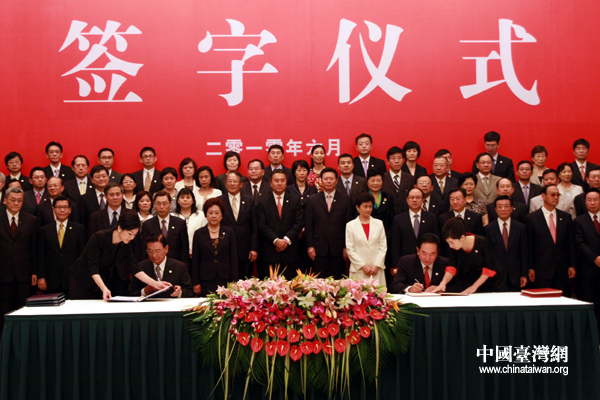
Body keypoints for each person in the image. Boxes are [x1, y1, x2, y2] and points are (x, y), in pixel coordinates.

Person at [70, 213, 171, 300]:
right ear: (119, 228)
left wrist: (156, 283)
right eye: (130, 233)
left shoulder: (125, 245)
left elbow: (135, 269)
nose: (132, 237)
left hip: (100, 283)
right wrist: (104, 288)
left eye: (134, 234)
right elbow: (93, 268)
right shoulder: (98, 238)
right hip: (82, 281)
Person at [432, 217, 505, 294]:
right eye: (448, 243)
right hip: (471, 281)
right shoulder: (455, 248)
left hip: (492, 283)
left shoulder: (482, 242)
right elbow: (452, 267)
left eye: (452, 242)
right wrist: (443, 283)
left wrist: (474, 286)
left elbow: (489, 268)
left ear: (462, 237)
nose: (450, 246)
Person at [525, 184, 576, 292]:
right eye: (552, 195)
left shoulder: (566, 217)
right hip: (541, 269)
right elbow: (529, 245)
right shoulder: (532, 218)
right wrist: (530, 267)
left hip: (562, 269)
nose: (556, 197)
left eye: (558, 195)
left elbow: (571, 243)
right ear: (543, 196)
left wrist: (572, 265)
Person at [0, 187, 37, 333]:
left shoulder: (31, 220)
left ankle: (23, 338)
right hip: (3, 273)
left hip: (24, 274)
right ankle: (5, 340)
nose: (16, 203)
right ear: (5, 201)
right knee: (4, 310)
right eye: (13, 200)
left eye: (19, 201)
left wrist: (35, 271)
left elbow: (35, 248)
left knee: (23, 310)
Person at [305, 167, 353, 279]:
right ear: (321, 181)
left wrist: (347, 246)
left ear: (336, 180)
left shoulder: (346, 199)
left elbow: (349, 224)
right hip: (318, 247)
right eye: (326, 179)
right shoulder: (312, 200)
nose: (328, 181)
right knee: (319, 281)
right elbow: (309, 225)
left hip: (339, 247)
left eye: (331, 179)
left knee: (339, 281)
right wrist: (310, 246)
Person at [256, 171, 303, 279]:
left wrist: (286, 240)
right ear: (271, 183)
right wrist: (276, 241)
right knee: (269, 286)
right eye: (276, 181)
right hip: (269, 252)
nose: (279, 183)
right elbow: (262, 225)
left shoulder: (295, 200)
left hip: (290, 253)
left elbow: (299, 223)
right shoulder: (262, 201)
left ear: (286, 183)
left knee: (290, 286)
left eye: (282, 180)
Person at [36, 196, 86, 298]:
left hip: (72, 280)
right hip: (51, 280)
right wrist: (41, 277)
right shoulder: (45, 230)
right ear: (53, 209)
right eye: (59, 207)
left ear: (70, 210)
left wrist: (81, 277)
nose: (62, 210)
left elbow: (82, 256)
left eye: (65, 207)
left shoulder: (79, 229)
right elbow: (40, 256)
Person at [191, 198, 238, 295]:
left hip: (225, 278)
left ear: (222, 215)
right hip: (205, 279)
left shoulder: (229, 232)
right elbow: (195, 260)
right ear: (206, 214)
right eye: (210, 212)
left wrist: (234, 282)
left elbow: (233, 258)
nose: (213, 216)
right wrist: (196, 282)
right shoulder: (199, 234)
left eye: (217, 213)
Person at [484, 196, 528, 292]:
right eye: (500, 206)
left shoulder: (521, 228)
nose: (503, 209)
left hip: (515, 275)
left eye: (506, 206)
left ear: (512, 208)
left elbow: (524, 252)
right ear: (495, 209)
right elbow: (487, 256)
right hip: (496, 276)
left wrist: (524, 274)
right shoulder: (488, 229)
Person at [219, 171, 258, 279]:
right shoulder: (219, 201)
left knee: (245, 281)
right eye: (229, 181)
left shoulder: (250, 200)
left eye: (235, 181)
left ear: (241, 184)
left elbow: (254, 227)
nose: (232, 184)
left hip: (245, 250)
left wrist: (254, 248)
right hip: (225, 249)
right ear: (225, 184)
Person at [128, 234, 194, 298]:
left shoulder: (179, 267)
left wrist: (180, 292)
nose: (154, 255)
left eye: (158, 251)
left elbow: (190, 292)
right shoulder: (140, 267)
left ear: (166, 249)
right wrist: (145, 291)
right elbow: (130, 293)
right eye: (150, 251)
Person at [390, 188, 440, 273]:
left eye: (418, 197)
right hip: (406, 261)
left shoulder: (432, 218)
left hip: (427, 261)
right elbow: (395, 245)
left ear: (423, 199)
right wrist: (396, 264)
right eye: (412, 197)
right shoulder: (398, 219)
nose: (414, 200)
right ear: (407, 199)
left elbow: (436, 241)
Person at [346, 192, 387, 285]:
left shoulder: (379, 223)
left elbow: (383, 247)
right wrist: (363, 266)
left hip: (376, 270)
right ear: (358, 207)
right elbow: (350, 249)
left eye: (370, 206)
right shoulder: (350, 225)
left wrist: (376, 265)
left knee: (378, 293)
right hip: (358, 270)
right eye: (365, 206)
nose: (368, 209)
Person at [140, 190, 189, 266]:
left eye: (165, 203)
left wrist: (185, 268)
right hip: (154, 265)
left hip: (175, 265)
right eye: (158, 203)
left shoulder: (180, 223)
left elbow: (184, 250)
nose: (161, 207)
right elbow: (144, 250)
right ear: (154, 205)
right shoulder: (147, 225)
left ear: (170, 204)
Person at [574, 188, 600, 330]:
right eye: (589, 200)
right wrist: (595, 259)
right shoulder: (579, 221)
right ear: (585, 202)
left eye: (595, 199)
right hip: (587, 270)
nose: (592, 203)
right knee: (588, 304)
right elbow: (579, 244)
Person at [171, 187, 206, 258]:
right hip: (178, 254)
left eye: (188, 197)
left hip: (198, 253)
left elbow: (204, 235)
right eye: (182, 197)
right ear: (178, 201)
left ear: (193, 200)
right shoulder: (172, 216)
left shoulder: (201, 215)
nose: (185, 200)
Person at [382, 146, 414, 214]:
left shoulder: (410, 178)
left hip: (405, 215)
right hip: (386, 215)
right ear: (387, 161)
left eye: (399, 158)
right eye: (393, 158)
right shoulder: (382, 178)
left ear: (403, 160)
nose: (396, 161)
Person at [366, 169, 395, 234]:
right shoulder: (363, 198)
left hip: (386, 233)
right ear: (367, 182)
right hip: (367, 233)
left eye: (378, 180)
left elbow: (392, 218)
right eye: (372, 180)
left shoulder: (388, 197)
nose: (375, 183)